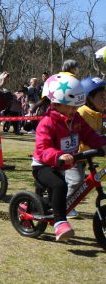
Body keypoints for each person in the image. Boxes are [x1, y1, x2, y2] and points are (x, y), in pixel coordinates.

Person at [33, 74, 106, 241]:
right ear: (56, 104)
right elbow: (43, 149)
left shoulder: (75, 119)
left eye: (76, 107)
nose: (74, 111)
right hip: (43, 165)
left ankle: (47, 206)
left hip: (63, 163)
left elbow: (88, 134)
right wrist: (59, 155)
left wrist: (101, 144)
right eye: (71, 107)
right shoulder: (47, 123)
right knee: (60, 186)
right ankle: (60, 223)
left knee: (58, 193)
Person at [66, 77, 106, 218]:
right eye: (101, 97)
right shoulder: (82, 113)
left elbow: (100, 132)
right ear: (89, 98)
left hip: (86, 156)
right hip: (75, 156)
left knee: (83, 184)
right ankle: (66, 205)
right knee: (76, 181)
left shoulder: (98, 114)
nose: (105, 99)